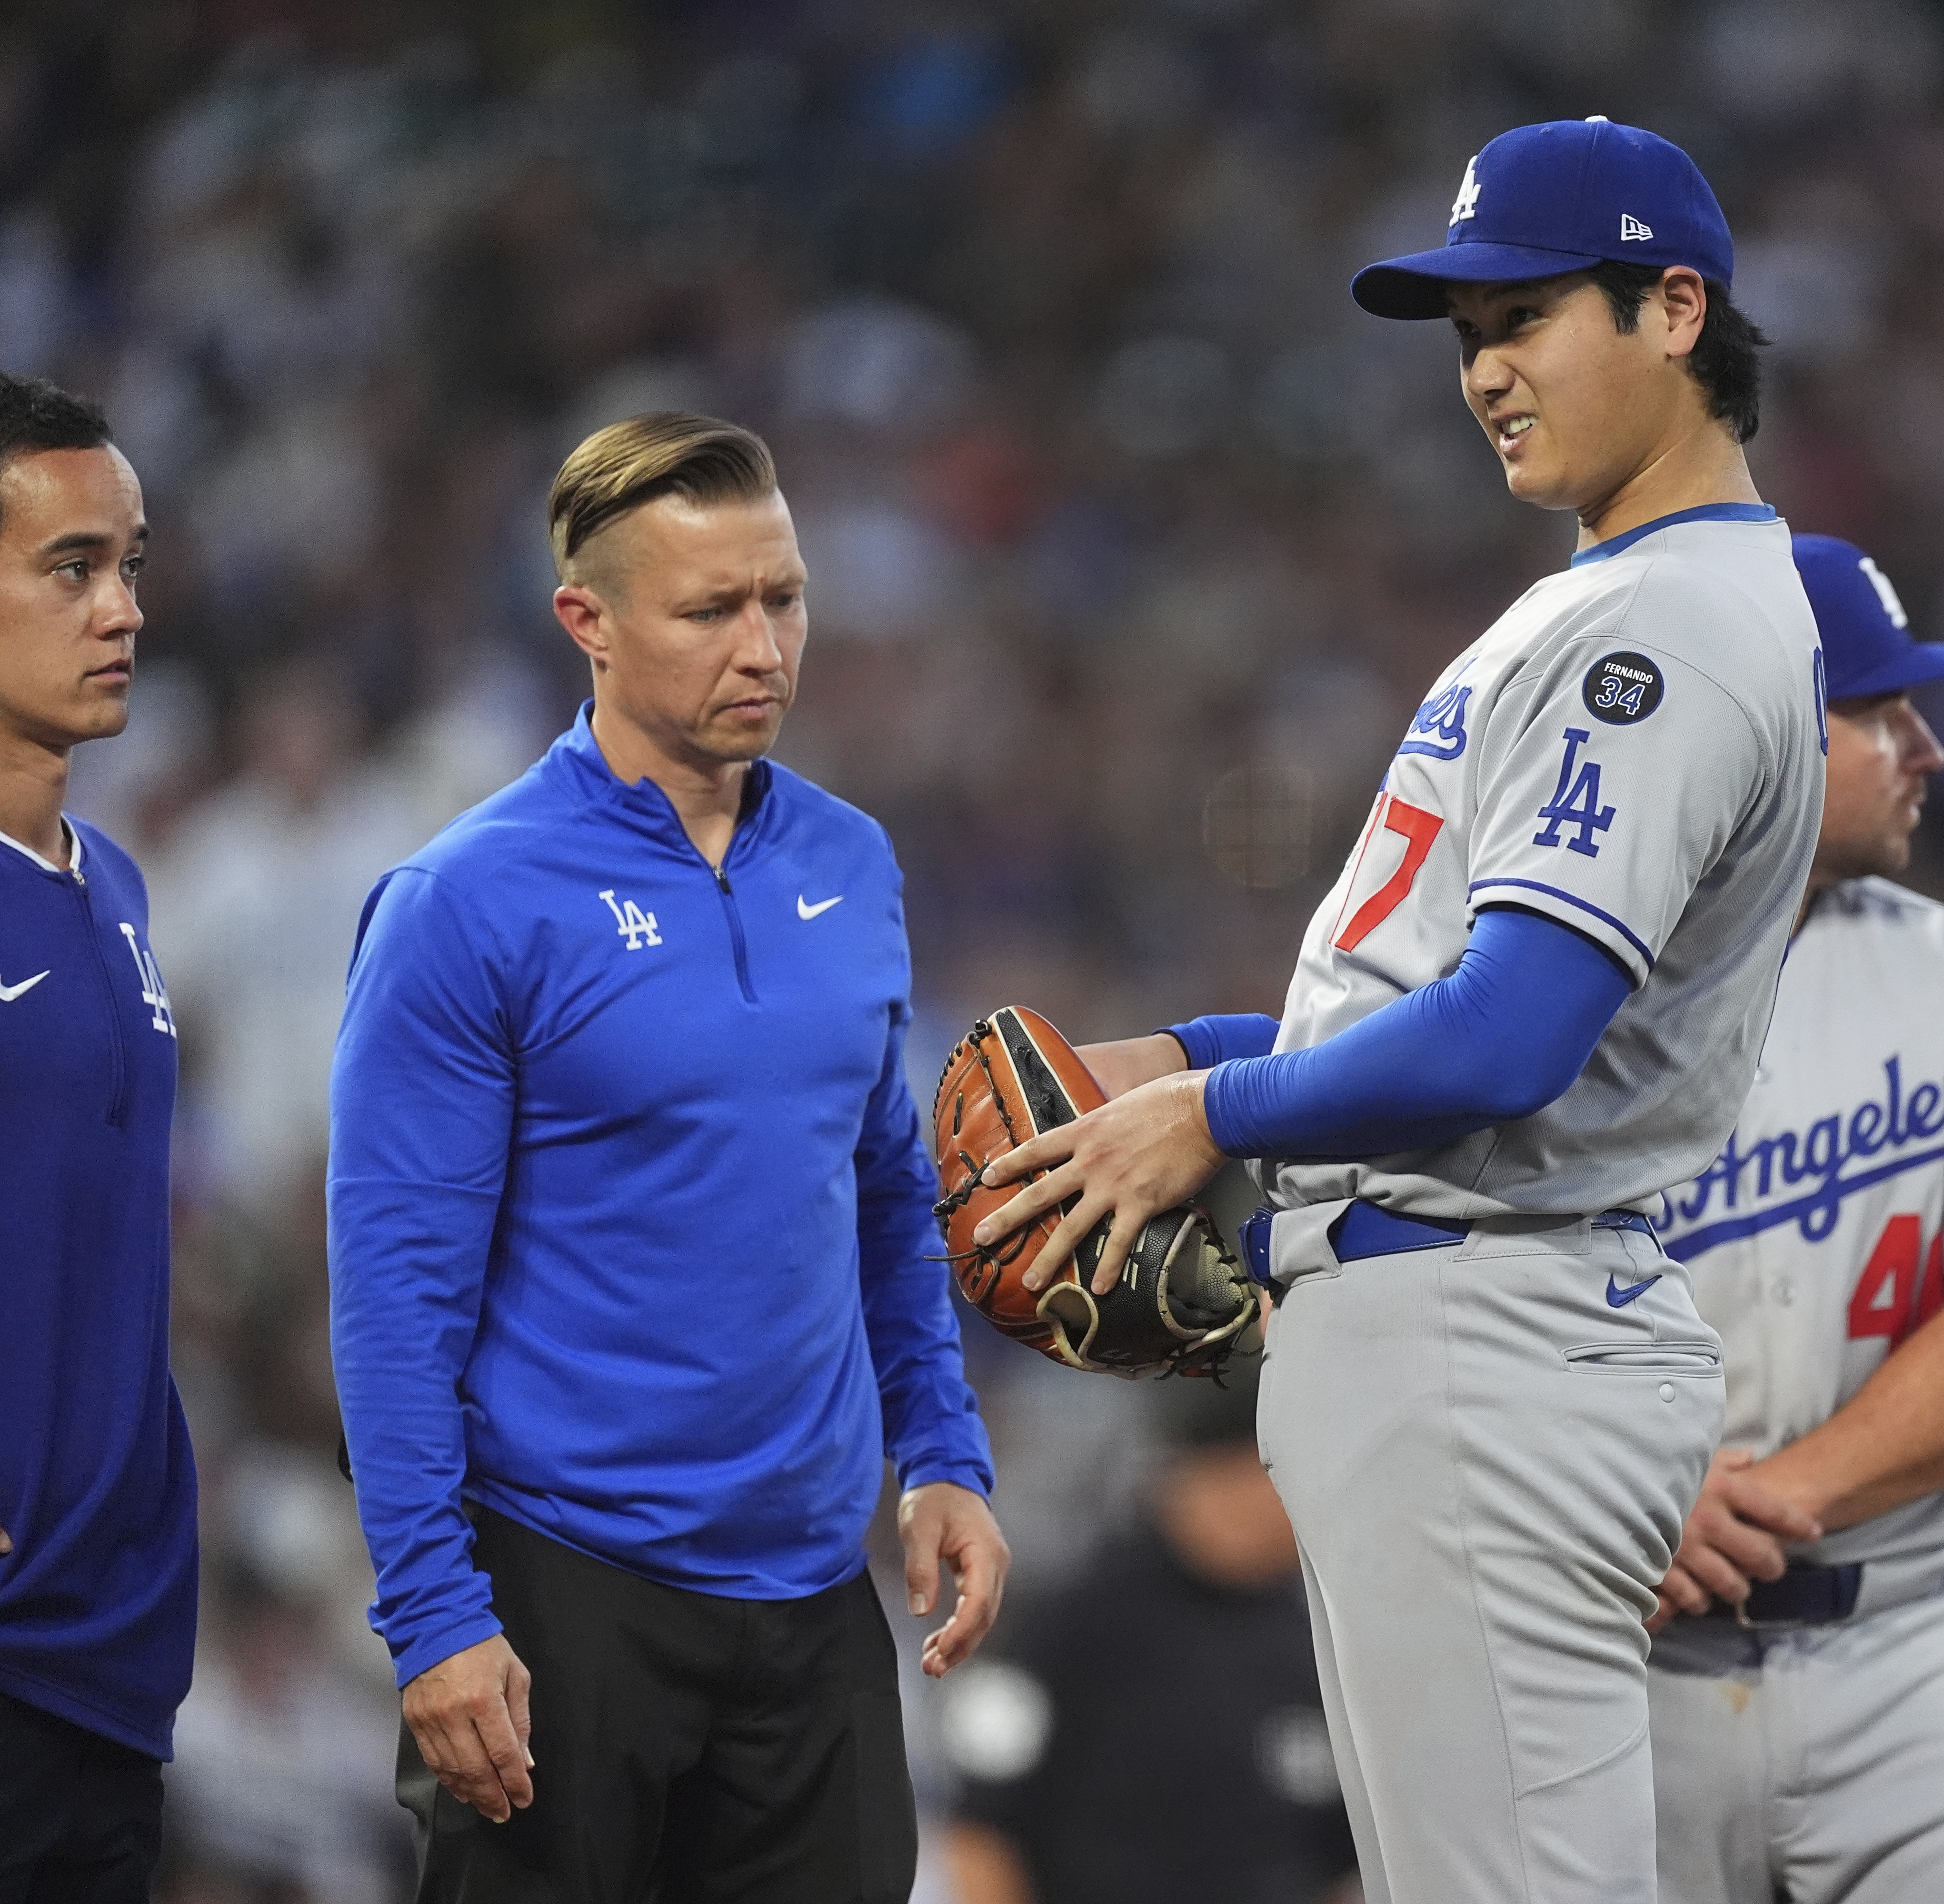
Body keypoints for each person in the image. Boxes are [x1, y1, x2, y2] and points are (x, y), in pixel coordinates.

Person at [976, 118, 1826, 1903]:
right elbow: (1443, 988)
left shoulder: (1657, 630)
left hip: (1476, 1331)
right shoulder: (1639, 602)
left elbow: (1510, 1037)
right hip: (1481, 1326)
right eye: (1465, 336)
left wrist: (1210, 1120)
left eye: (1525, 316)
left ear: (1676, 308)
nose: (1488, 371)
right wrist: (1194, 1056)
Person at [327, 412, 1008, 1903]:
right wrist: (433, 1615)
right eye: (710, 610)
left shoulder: (850, 859)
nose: (762, 646)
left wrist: (942, 1449)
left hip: (814, 1606)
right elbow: (392, 1298)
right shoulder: (465, 903)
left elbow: (883, 1186)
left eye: (784, 596)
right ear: (588, 621)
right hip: (564, 1593)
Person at [1645, 534, 1944, 1902]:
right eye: (1879, 712)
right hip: (1615, 1670)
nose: (1930, 748)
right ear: (1764, 742)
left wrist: (1780, 1497)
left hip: (1910, 1652)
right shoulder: (1551, 994)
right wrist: (1612, 1509)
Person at [0, 370, 191, 1903]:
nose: (123, 612)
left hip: (116, 1652)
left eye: (133, 565)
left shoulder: (116, 884)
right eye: (71, 567)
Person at [938, 1373, 1356, 1904]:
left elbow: (1338, 1863)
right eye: (1233, 1475)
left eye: (1272, 1479)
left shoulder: (1318, 1640)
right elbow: (978, 1831)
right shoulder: (1072, 1619)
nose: (1257, 1502)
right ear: (1174, 1477)